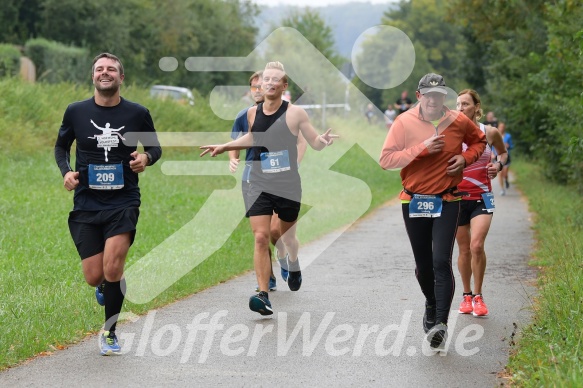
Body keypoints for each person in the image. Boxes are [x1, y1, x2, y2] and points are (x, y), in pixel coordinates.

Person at [200, 61, 338, 316]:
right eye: (267, 79)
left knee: (280, 232)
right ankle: (263, 294)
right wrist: (225, 147)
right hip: (259, 182)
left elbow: (313, 142)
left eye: (276, 80)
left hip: (287, 185)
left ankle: (293, 262)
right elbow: (252, 138)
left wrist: (323, 141)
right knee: (261, 236)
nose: (271, 83)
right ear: (260, 85)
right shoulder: (253, 113)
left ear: (284, 86)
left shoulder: (296, 113)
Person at [54, 52, 162, 355]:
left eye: (111, 69)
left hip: (123, 199)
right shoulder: (75, 111)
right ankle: (105, 285)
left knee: (113, 266)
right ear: (93, 76)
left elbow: (154, 148)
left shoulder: (137, 113)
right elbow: (61, 146)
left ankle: (110, 332)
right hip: (86, 201)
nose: (105, 73)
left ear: (121, 77)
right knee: (94, 276)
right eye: (100, 69)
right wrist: (66, 173)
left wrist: (146, 158)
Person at [379, 73, 486, 350]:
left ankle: (440, 323)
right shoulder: (403, 122)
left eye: (439, 95)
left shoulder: (458, 120)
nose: (433, 100)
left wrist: (465, 158)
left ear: (444, 98)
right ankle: (430, 302)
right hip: (414, 200)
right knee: (423, 267)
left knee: (441, 261)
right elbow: (386, 160)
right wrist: (421, 149)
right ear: (419, 96)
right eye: (429, 95)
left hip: (447, 200)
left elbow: (479, 142)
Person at [229, 70, 307, 292]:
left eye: (260, 85)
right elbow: (235, 141)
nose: (258, 90)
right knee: (261, 235)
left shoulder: (287, 113)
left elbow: (302, 141)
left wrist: (296, 164)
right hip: (253, 179)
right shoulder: (246, 115)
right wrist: (232, 158)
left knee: (276, 231)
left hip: (282, 179)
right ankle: (267, 280)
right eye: (254, 86)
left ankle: (288, 258)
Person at [455, 89, 508, 318]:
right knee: (464, 249)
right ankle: (466, 294)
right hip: (456, 198)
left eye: (465, 104)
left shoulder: (490, 132)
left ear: (477, 107)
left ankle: (478, 296)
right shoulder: (451, 132)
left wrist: (497, 166)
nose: (460, 108)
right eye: (457, 104)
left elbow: (503, 154)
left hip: (482, 197)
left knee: (477, 245)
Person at [495, 122, 513, 195]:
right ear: (498, 128)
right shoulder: (495, 136)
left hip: (506, 157)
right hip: (498, 156)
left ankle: (506, 180)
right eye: (500, 127)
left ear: (504, 128)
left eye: (503, 127)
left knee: (505, 174)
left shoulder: (508, 136)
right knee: (500, 173)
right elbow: (492, 146)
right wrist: (493, 154)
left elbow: (512, 146)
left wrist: (508, 146)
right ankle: (502, 189)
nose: (501, 128)